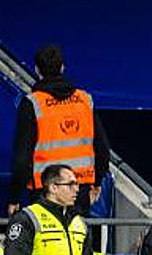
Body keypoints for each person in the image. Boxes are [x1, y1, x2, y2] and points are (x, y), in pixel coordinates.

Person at [9, 44, 110, 213]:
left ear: (37, 69)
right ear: (63, 67)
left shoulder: (33, 103)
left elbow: (22, 157)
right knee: (75, 237)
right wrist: (97, 182)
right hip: (79, 189)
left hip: (46, 191)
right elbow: (102, 147)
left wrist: (15, 197)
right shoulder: (84, 100)